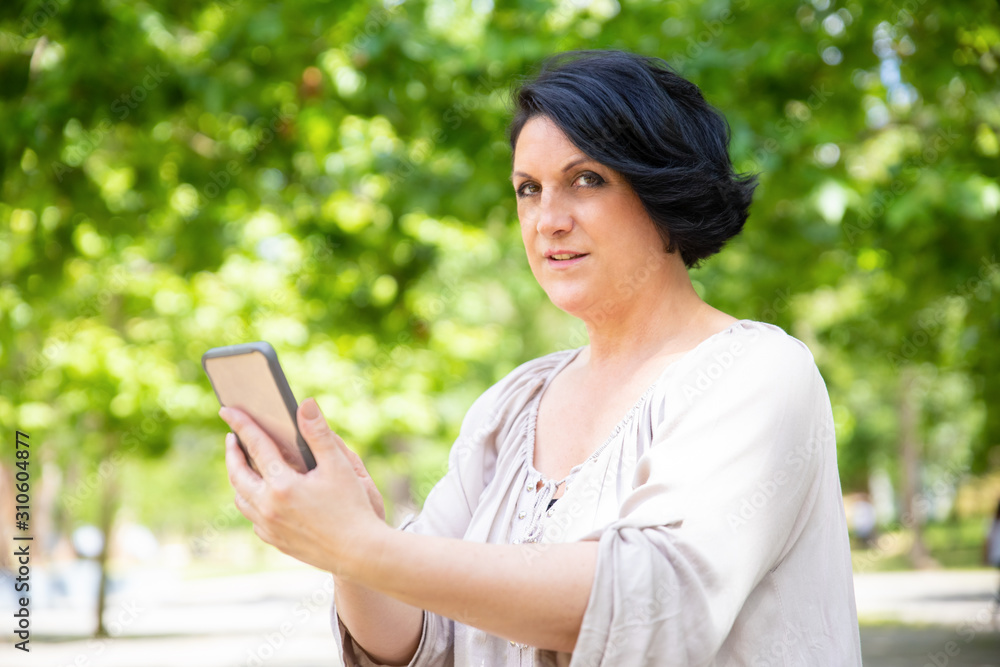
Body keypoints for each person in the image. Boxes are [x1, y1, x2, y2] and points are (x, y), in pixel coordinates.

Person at [219, 49, 862, 666]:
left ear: (666, 189)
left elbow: (658, 599)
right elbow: (418, 634)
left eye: (586, 179)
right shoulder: (513, 404)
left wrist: (365, 546)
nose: (547, 219)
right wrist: (350, 546)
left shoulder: (758, 372)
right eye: (528, 189)